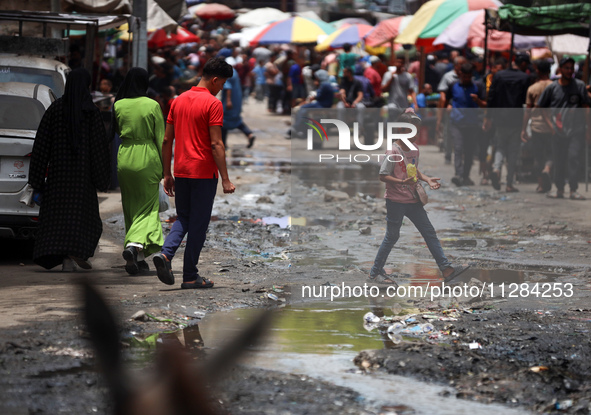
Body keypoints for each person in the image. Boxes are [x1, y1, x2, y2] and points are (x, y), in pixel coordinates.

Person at [153, 57, 236, 289]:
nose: (221, 89)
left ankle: (166, 254)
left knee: (184, 218)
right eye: (222, 85)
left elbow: (167, 139)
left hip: (181, 171)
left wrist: (167, 173)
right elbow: (216, 145)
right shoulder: (212, 104)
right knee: (198, 225)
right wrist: (226, 179)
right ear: (215, 79)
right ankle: (189, 276)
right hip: (202, 173)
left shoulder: (177, 101)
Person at [369, 108, 469, 284]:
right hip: (395, 201)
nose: (415, 135)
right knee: (392, 236)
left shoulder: (414, 149)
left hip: (413, 200)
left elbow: (414, 170)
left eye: (416, 131)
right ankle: (375, 272)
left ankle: (446, 269)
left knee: (429, 232)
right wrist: (402, 182)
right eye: (410, 131)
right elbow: (382, 176)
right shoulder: (392, 152)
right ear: (400, 130)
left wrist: (427, 178)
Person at [28, 68, 111, 271]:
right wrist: (102, 180)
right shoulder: (91, 113)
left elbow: (41, 147)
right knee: (82, 220)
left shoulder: (54, 111)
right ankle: (74, 253)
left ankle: (66, 257)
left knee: (58, 220)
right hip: (83, 181)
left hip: (58, 180)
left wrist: (36, 181)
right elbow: (99, 150)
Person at [112, 67, 165, 275]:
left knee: (131, 207)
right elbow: (161, 138)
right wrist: (166, 170)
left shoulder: (118, 105)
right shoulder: (152, 105)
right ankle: (133, 246)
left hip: (125, 156)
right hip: (147, 156)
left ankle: (139, 258)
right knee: (148, 209)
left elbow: (117, 131)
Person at [537, 57, 591, 200]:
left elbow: (586, 107)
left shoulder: (579, 86)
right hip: (558, 131)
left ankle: (573, 190)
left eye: (571, 68)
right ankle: (559, 189)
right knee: (559, 160)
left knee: (573, 158)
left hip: (576, 130)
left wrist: (588, 129)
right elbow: (541, 107)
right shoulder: (552, 87)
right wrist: (550, 125)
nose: (569, 71)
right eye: (566, 68)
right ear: (560, 69)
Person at [485, 53, 531, 192]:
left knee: (500, 147)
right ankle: (509, 183)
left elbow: (491, 96)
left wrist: (488, 117)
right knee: (513, 151)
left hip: (500, 118)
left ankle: (496, 169)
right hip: (516, 119)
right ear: (522, 64)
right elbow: (526, 101)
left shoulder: (499, 76)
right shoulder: (525, 78)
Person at [446, 63, 487, 187]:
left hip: (472, 124)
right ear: (460, 75)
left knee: (469, 152)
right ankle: (458, 175)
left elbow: (485, 104)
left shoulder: (478, 86)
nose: (466, 79)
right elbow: (448, 100)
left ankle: (466, 176)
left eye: (468, 77)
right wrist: (448, 107)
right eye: (464, 77)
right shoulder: (453, 85)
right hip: (457, 123)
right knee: (458, 149)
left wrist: (478, 101)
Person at [521, 60, 554, 193]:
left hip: (536, 127)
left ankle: (540, 185)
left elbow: (528, 110)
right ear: (549, 71)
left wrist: (523, 129)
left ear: (538, 71)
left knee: (538, 156)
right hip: (552, 126)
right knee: (552, 154)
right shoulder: (555, 86)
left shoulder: (532, 88)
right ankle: (548, 169)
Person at [221, 57, 256, 148]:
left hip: (230, 101)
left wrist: (228, 101)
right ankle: (249, 134)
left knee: (223, 122)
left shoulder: (227, 73)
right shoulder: (234, 72)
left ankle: (223, 144)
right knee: (236, 120)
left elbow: (228, 87)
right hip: (237, 100)